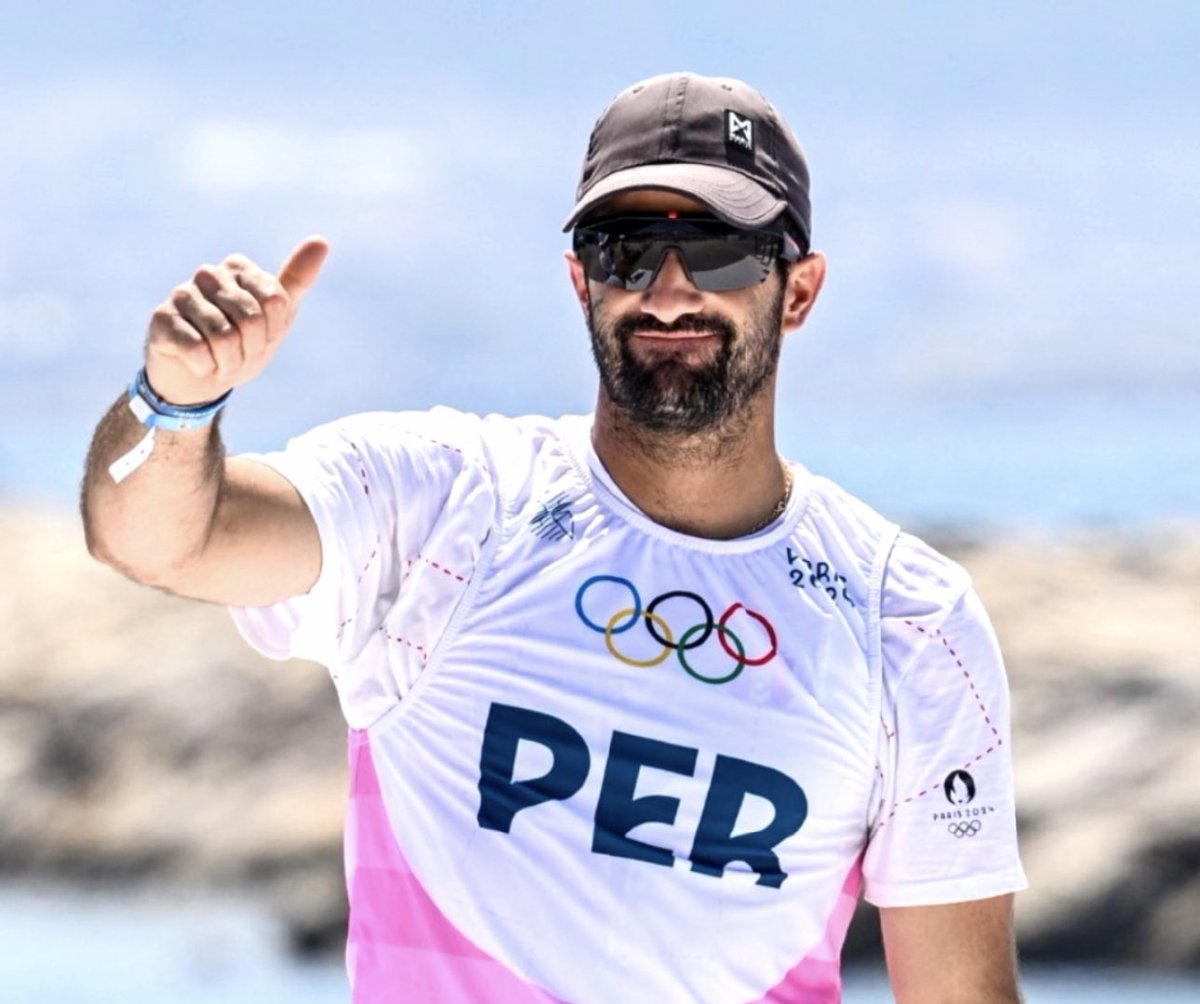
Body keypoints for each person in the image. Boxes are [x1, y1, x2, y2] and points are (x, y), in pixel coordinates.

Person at [82, 71, 1027, 1003]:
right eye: (624, 251)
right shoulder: (444, 504)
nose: (667, 292)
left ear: (800, 289)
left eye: (720, 250)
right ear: (581, 281)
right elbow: (162, 538)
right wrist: (176, 400)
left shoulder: (907, 620)